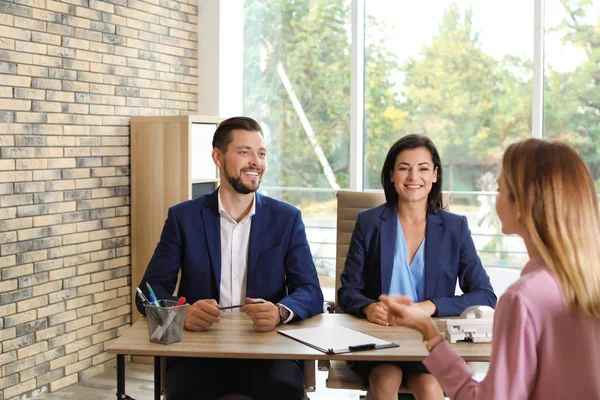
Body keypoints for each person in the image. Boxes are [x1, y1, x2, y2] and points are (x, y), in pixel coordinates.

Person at [381, 138, 600, 399]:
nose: (495, 200)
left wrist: (430, 333)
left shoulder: (523, 299)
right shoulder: (589, 281)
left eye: (499, 189)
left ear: (522, 204)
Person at [136, 116, 324, 400]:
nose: (255, 161)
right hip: (200, 354)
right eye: (244, 152)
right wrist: (182, 314)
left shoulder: (286, 218)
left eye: (261, 153)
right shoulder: (183, 217)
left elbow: (310, 291)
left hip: (267, 354)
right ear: (218, 157)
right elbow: (148, 294)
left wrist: (279, 311)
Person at [338, 134, 497, 400]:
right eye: (404, 168)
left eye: (423, 168)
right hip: (379, 342)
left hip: (429, 341)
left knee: (429, 386)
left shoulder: (455, 227)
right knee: (385, 378)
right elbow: (348, 291)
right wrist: (367, 307)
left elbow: (485, 295)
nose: (414, 177)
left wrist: (431, 306)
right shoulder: (368, 222)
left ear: (435, 175)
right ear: (391, 174)